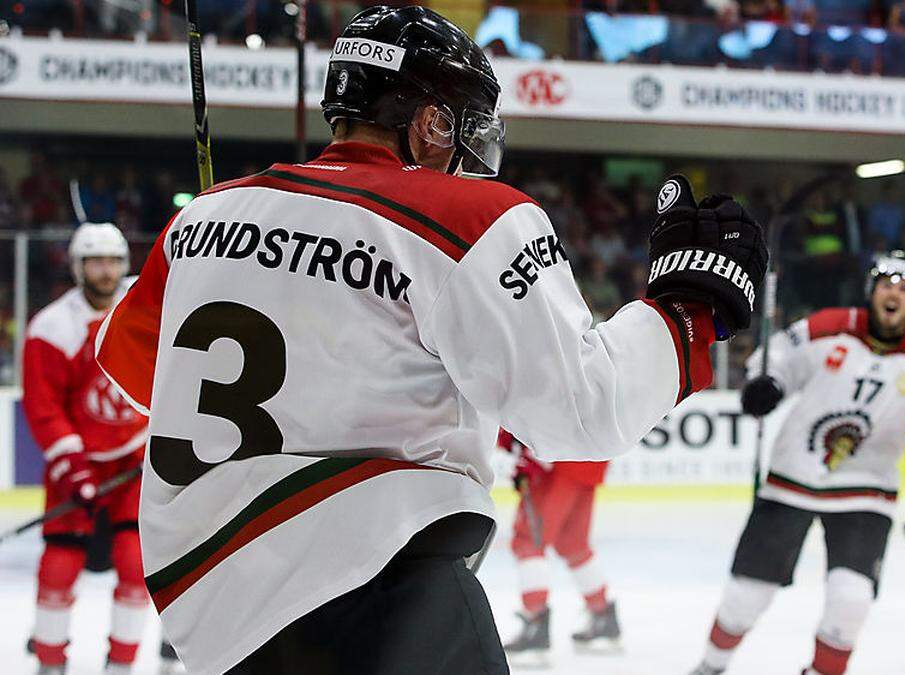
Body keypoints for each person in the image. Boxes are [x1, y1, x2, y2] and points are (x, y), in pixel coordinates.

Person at [93, 6, 768, 674]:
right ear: (429, 121)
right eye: (464, 121)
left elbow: (130, 362)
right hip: (377, 591)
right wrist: (687, 313)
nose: (471, 143)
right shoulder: (467, 215)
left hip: (211, 612)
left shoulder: (202, 220)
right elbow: (585, 410)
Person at [690, 251, 905, 675]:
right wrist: (768, 385)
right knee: (746, 596)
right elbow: (778, 356)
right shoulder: (828, 327)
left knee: (851, 599)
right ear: (872, 291)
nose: (895, 294)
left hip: (866, 491)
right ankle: (709, 667)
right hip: (792, 476)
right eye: (888, 284)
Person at [23, 223, 149, 675]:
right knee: (59, 568)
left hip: (134, 459)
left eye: (114, 260)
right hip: (77, 466)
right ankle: (51, 663)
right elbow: (43, 407)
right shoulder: (52, 327)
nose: (106, 270)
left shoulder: (142, 307)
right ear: (78, 267)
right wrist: (74, 470)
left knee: (137, 566)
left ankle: (121, 664)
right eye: (96, 261)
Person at [497, 429, 619, 666]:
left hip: (556, 455)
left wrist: (521, 445)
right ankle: (603, 616)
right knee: (572, 544)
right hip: (589, 455)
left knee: (529, 541)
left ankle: (535, 624)